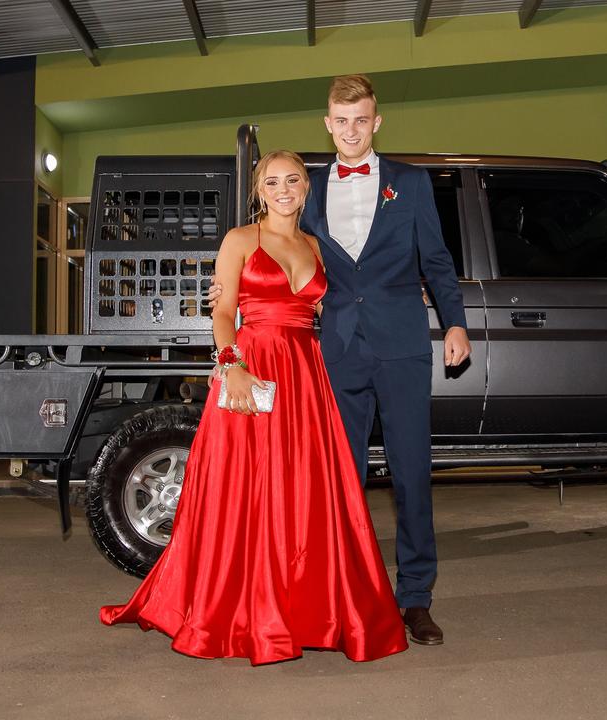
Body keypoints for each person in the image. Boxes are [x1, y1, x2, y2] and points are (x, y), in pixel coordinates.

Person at [100, 150, 408, 665]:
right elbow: (222, 310)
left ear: (306, 189)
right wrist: (230, 362)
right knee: (243, 488)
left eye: (292, 181)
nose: (282, 189)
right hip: (252, 364)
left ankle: (306, 609)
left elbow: (349, 302)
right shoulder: (240, 240)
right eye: (272, 182)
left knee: (303, 491)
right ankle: (243, 609)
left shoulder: (318, 245)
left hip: (306, 374)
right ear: (258, 190)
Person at [209, 75, 470, 646]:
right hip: (331, 353)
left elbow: (438, 259)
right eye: (340, 120)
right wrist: (232, 304)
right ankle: (344, 592)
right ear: (327, 124)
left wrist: (454, 321)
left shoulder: (412, 182)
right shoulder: (308, 187)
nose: (350, 130)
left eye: (361, 120)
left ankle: (416, 598)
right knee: (334, 481)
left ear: (376, 122)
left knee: (411, 475)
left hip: (401, 345)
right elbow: (275, 252)